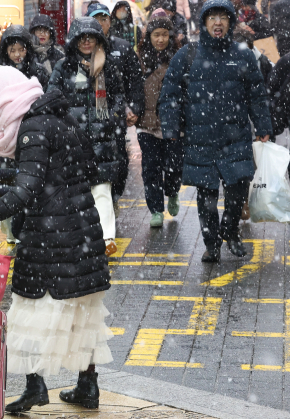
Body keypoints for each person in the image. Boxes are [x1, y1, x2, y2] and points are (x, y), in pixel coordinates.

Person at [0, 66, 113, 413]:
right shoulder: (61, 119)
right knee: (80, 311)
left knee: (28, 311)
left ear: (5, 94)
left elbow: (26, 191)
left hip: (52, 235)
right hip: (80, 230)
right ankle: (87, 386)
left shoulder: (32, 128)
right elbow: (91, 171)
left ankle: (35, 387)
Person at [158, 0, 272, 262]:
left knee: (237, 191)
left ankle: (230, 230)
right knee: (206, 197)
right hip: (201, 139)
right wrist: (171, 127)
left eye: (223, 17)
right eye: (212, 18)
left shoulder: (242, 54)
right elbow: (170, 94)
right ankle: (212, 245)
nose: (217, 22)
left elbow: (256, 94)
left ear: (230, 22)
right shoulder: (187, 54)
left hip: (236, 136)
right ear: (204, 23)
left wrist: (264, 126)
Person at [49, 17, 127, 256]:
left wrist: (112, 118)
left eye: (90, 37)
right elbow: (52, 97)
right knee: (74, 192)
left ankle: (106, 238)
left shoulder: (109, 66)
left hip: (102, 141)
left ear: (98, 40)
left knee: (102, 190)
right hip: (72, 141)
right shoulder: (63, 67)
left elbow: (119, 97)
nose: (86, 42)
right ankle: (75, 238)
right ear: (74, 41)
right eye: (81, 37)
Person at [0, 25, 49, 243]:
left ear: (28, 48)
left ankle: (26, 229)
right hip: (5, 143)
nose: (18, 55)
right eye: (13, 50)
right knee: (7, 187)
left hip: (30, 141)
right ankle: (11, 231)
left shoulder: (38, 72)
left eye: (22, 49)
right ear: (5, 52)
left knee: (28, 187)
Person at [87, 3, 144, 215]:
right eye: (96, 19)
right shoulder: (81, 48)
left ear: (110, 21)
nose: (101, 24)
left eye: (104, 19)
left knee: (118, 159)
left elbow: (135, 82)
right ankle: (97, 203)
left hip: (115, 117)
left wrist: (134, 107)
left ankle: (114, 196)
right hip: (87, 118)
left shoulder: (122, 47)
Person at [136, 10, 183, 228]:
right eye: (156, 35)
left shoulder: (179, 57)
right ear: (149, 36)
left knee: (173, 167)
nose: (161, 39)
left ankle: (172, 193)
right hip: (146, 125)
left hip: (173, 125)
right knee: (150, 169)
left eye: (164, 34)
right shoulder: (139, 58)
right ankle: (156, 209)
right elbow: (133, 88)